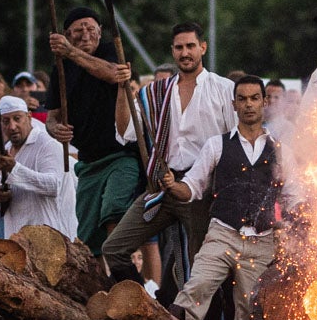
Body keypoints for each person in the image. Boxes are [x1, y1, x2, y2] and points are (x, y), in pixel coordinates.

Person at [165, 76, 293, 320]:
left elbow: (293, 192)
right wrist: (173, 186)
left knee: (249, 312)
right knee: (196, 286)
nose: (248, 104)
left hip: (261, 240)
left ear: (264, 102)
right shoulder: (216, 144)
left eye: (254, 98)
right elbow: (193, 186)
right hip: (222, 232)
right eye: (242, 99)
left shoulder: (280, 148)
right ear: (234, 104)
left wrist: (291, 224)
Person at [101, 22, 236, 285]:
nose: (185, 53)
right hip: (162, 186)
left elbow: (234, 143)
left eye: (190, 46)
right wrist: (121, 88)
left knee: (202, 269)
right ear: (172, 51)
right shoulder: (155, 92)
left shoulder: (223, 88)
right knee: (113, 248)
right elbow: (125, 132)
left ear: (203, 47)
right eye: (179, 48)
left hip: (204, 189)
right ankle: (142, 306)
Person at [44, 6, 139, 255]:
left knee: (113, 211)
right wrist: (56, 129)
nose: (85, 34)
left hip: (121, 156)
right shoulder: (60, 68)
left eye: (91, 28)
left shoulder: (110, 51)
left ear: (99, 32)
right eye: (78, 30)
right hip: (87, 163)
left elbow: (113, 75)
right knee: (87, 239)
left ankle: (124, 273)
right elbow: (51, 117)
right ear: (67, 33)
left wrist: (71, 52)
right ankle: (97, 287)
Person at [0, 95, 77, 239]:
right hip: (18, 236)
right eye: (6, 121)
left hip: (50, 237)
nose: (12, 126)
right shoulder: (7, 149)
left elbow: (53, 185)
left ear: (29, 117)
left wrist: (15, 168)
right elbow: (2, 189)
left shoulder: (47, 144)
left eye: (17, 119)